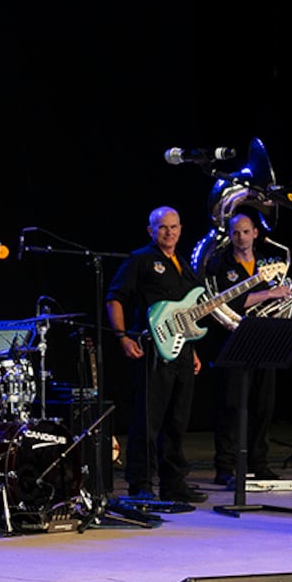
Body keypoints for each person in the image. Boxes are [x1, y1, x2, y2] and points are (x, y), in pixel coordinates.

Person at [106, 207, 207, 503]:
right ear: (151, 230)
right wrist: (122, 337)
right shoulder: (140, 259)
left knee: (177, 420)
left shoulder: (184, 264)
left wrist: (194, 348)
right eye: (163, 227)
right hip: (151, 348)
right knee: (148, 420)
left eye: (174, 227)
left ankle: (174, 483)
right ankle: (140, 484)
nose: (170, 232)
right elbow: (115, 298)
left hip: (183, 351)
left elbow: (186, 312)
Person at [202, 212, 292, 484]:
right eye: (235, 232)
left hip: (265, 340)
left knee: (263, 405)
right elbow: (227, 303)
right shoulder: (221, 265)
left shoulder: (268, 264)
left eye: (245, 231)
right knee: (231, 405)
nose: (240, 237)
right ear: (229, 235)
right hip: (232, 341)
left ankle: (259, 463)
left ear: (255, 233)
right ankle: (225, 467)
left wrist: (281, 295)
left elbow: (284, 293)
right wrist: (268, 294)